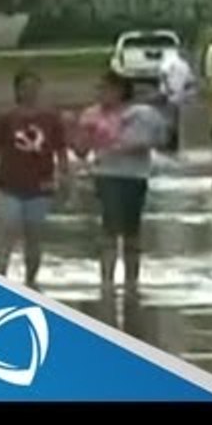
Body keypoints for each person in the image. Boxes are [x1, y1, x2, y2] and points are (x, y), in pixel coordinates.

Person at [73, 70, 167, 292]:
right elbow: (81, 151)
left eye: (105, 89)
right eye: (99, 89)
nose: (101, 94)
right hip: (106, 174)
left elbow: (156, 140)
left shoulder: (141, 114)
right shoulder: (92, 115)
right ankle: (106, 280)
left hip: (135, 176)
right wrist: (78, 134)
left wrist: (123, 146)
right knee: (109, 227)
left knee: (132, 230)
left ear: (119, 91)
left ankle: (131, 281)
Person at [0, 69, 69, 290]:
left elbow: (61, 151)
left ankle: (31, 280)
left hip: (41, 185)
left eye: (34, 87)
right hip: (9, 184)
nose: (30, 91)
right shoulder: (6, 119)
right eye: (25, 87)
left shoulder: (51, 119)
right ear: (17, 90)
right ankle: (0, 275)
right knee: (6, 228)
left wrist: (65, 179)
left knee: (34, 235)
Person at [157, 48, 195, 152]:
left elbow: (163, 74)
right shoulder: (184, 65)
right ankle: (174, 144)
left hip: (168, 94)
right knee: (176, 119)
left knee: (167, 118)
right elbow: (190, 81)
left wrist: (168, 87)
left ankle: (167, 143)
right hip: (179, 95)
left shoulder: (167, 62)